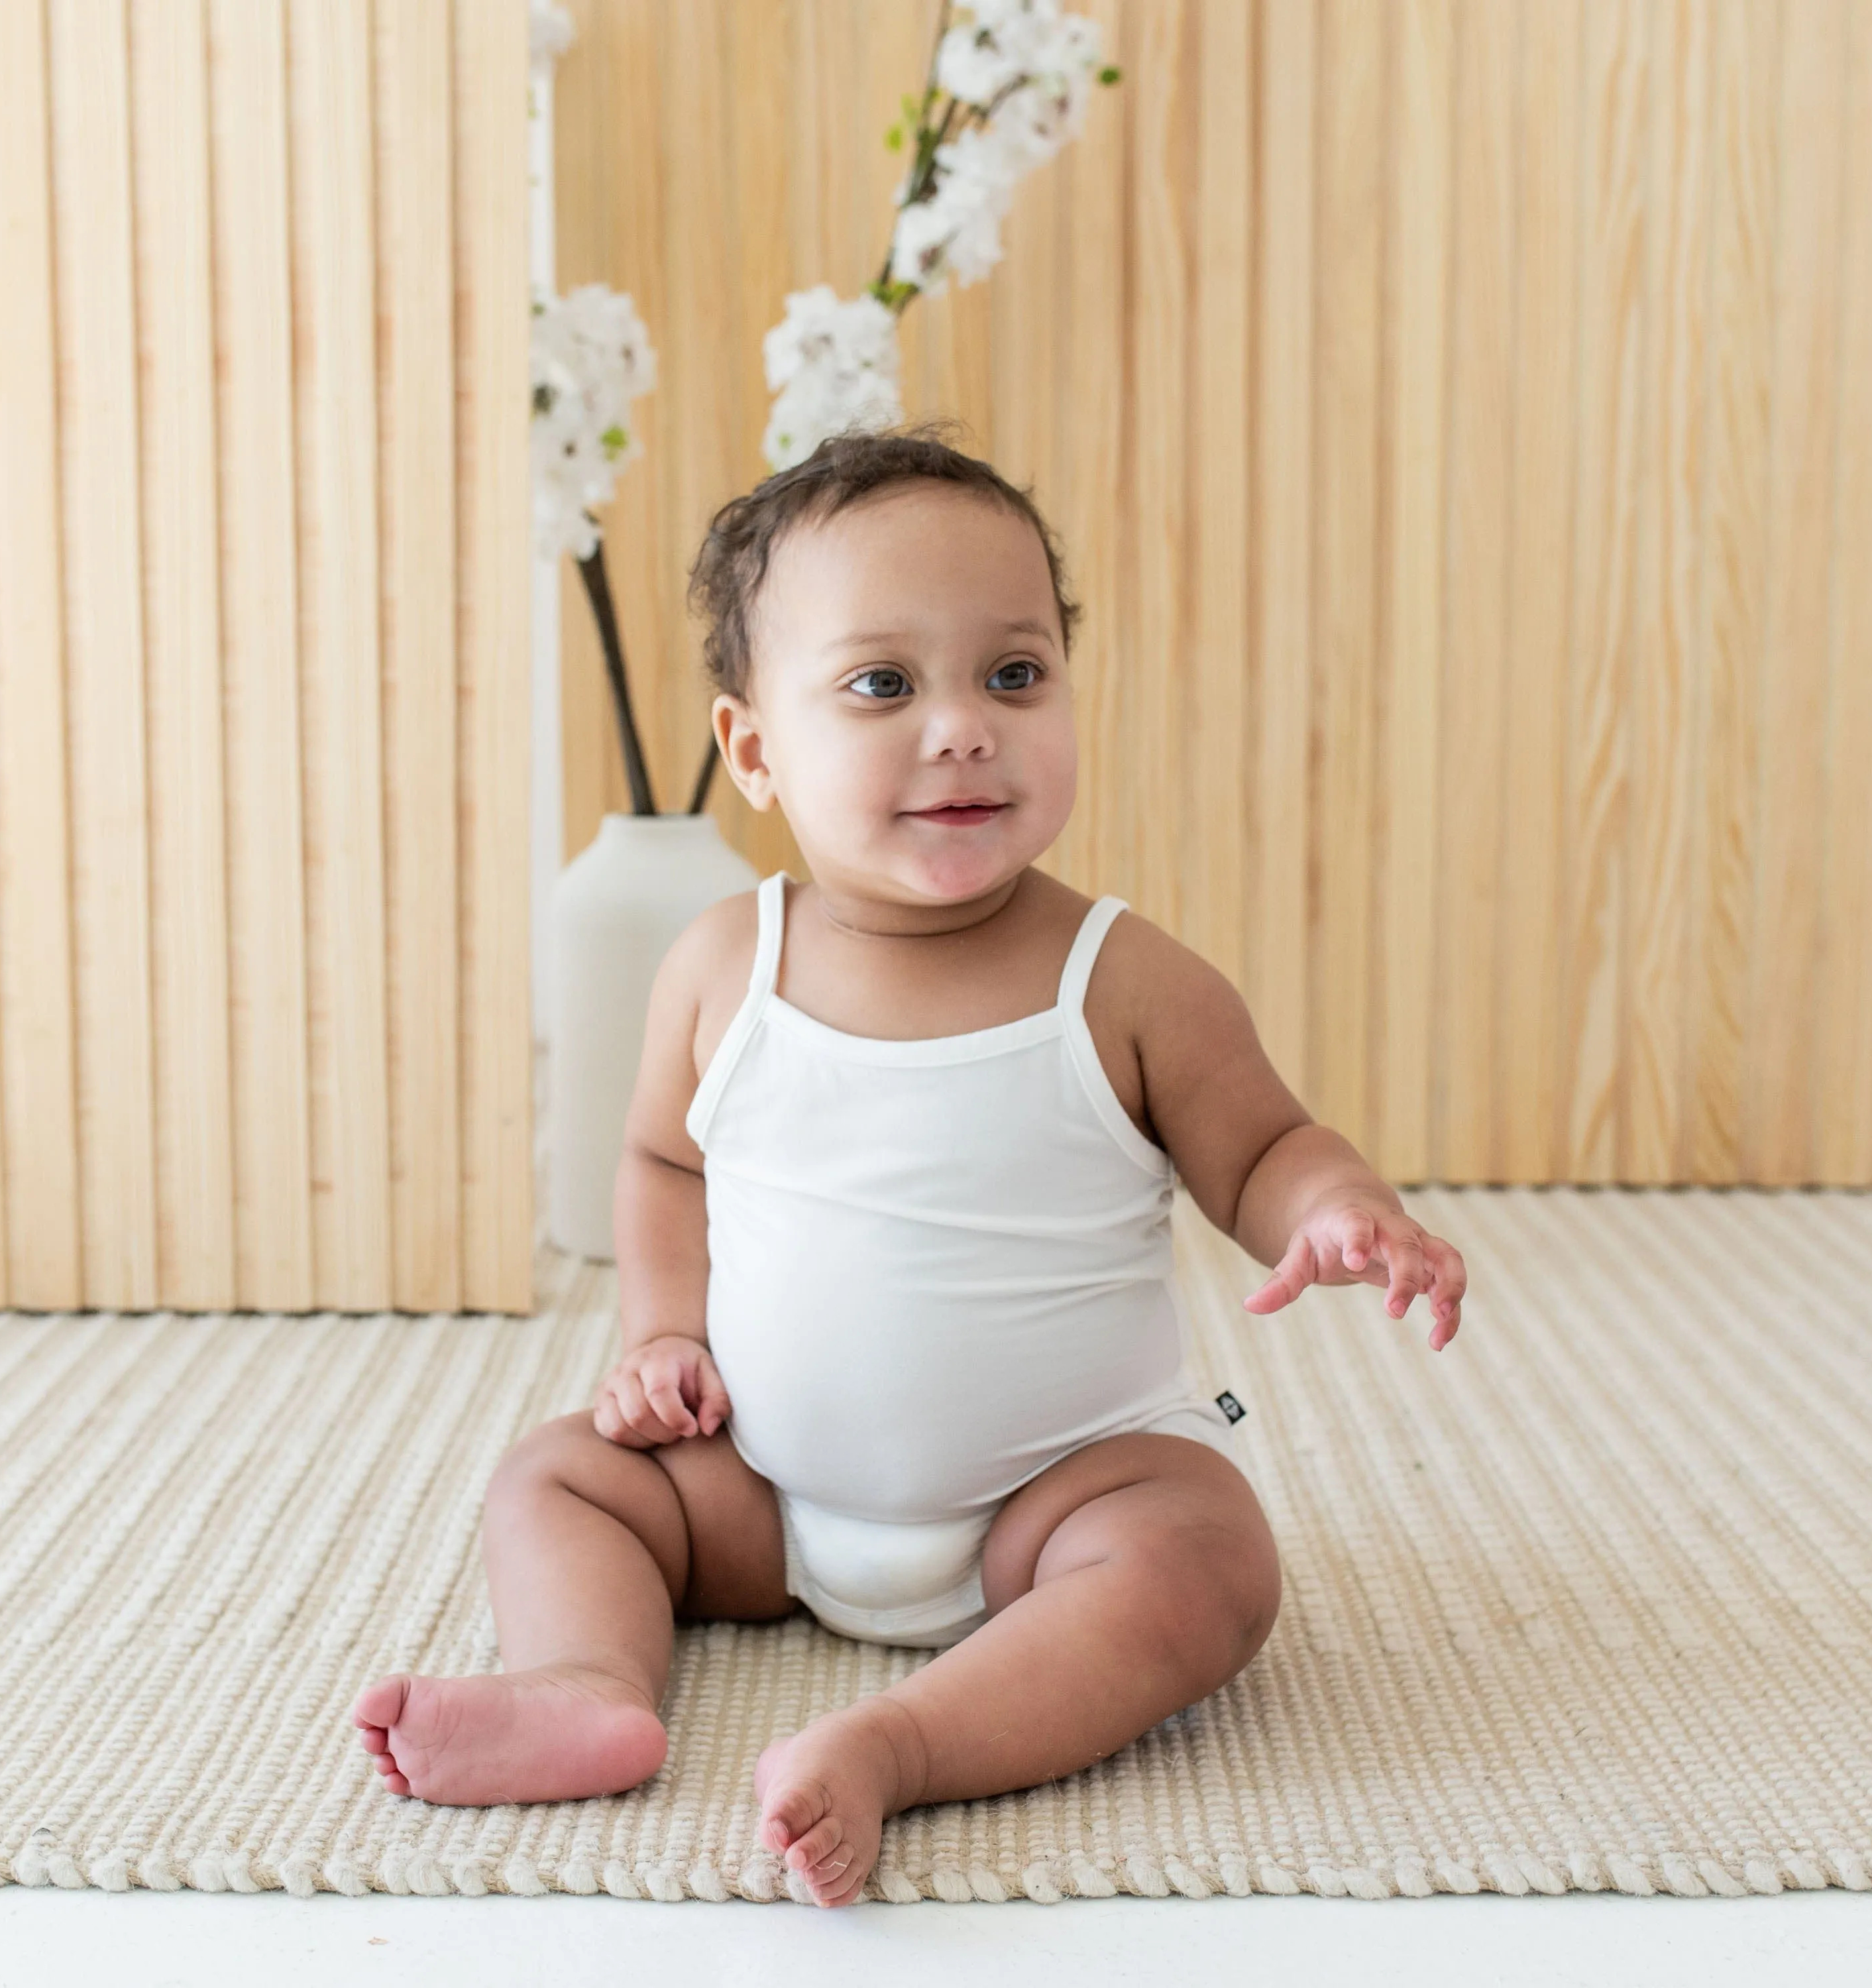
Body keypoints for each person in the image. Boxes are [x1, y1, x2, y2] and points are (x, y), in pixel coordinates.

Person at [353, 420, 1467, 1908]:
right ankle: (585, 1682)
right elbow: (660, 1167)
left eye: (1015, 674)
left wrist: (1336, 1208)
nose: (962, 727)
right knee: (558, 1476)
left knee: (1209, 1560)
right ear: (754, 748)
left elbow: (1259, 1145)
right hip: (760, 1488)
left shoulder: (1125, 980)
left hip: (1057, 1499)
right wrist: (663, 1337)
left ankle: (907, 1745)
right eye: (882, 685)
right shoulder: (722, 965)